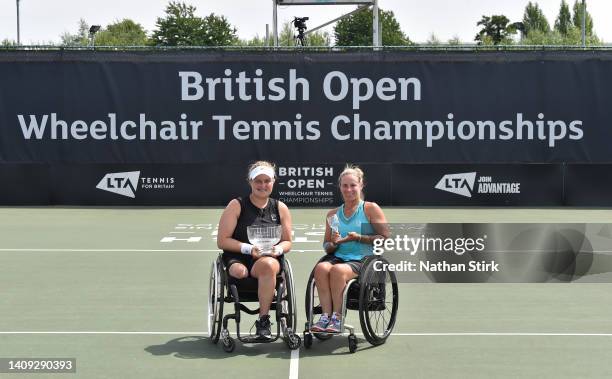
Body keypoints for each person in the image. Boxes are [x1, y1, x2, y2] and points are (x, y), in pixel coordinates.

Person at [216, 161, 292, 338]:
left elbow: (287, 241)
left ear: (273, 182)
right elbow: (222, 240)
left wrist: (277, 250)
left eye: (267, 181)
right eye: (258, 181)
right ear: (250, 182)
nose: (263, 185)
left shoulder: (280, 208)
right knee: (239, 271)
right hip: (239, 257)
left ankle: (263, 321)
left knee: (268, 266)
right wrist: (248, 249)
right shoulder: (236, 205)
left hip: (267, 259)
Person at [310, 165, 389, 333]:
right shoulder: (332, 214)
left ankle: (337, 318)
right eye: (345, 185)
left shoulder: (370, 208)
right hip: (339, 256)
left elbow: (385, 239)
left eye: (353, 185)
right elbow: (327, 246)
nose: (349, 189)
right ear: (340, 187)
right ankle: (325, 316)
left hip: (363, 260)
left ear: (361, 185)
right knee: (321, 268)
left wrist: (360, 238)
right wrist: (333, 243)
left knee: (338, 271)